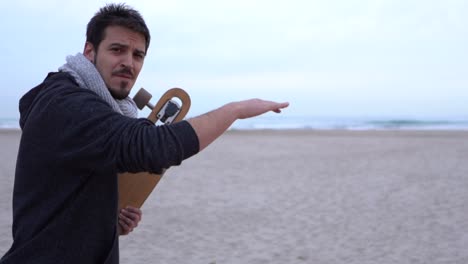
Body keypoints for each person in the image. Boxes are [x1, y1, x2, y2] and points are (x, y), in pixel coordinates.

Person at [0, 3, 289, 264]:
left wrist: (107, 222)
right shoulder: (65, 104)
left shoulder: (103, 110)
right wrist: (235, 110)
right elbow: (152, 146)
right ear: (89, 51)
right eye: (117, 50)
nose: (129, 62)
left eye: (138, 55)